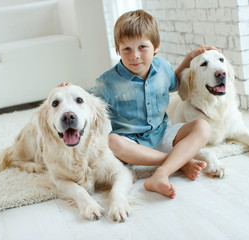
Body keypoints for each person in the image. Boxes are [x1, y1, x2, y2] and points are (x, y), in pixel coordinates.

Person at [61, 10, 217, 198]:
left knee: (203, 127)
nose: (135, 55)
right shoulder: (108, 82)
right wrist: (73, 90)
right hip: (130, 144)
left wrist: (190, 58)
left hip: (162, 134)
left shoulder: (163, 68)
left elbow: (175, 82)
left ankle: (160, 173)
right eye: (127, 49)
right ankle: (178, 163)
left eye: (142, 47)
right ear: (118, 49)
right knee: (112, 142)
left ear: (156, 47)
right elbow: (88, 103)